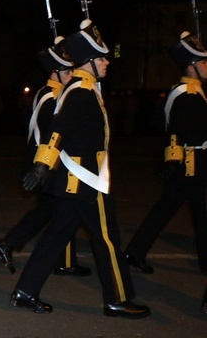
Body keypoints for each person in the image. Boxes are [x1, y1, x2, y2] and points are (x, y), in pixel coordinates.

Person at [17, 20, 150, 319]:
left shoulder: (84, 86)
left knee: (56, 236)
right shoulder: (80, 90)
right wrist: (42, 164)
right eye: (101, 58)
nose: (107, 62)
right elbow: (58, 128)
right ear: (88, 62)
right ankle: (117, 299)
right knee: (107, 239)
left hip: (75, 178)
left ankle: (25, 292)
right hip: (87, 179)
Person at [0, 37, 91, 277]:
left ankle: (58, 259)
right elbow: (51, 136)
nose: (72, 74)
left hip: (45, 164)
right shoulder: (53, 98)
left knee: (55, 212)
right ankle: (12, 245)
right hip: (46, 165)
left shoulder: (49, 93)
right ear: (56, 73)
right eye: (67, 70)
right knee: (59, 212)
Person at [125, 31, 207, 275]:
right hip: (193, 163)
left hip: (182, 164)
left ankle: (135, 251)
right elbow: (191, 134)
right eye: (203, 62)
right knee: (202, 217)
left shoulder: (181, 90)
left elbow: (159, 121)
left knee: (165, 209)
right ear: (191, 67)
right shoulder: (189, 95)